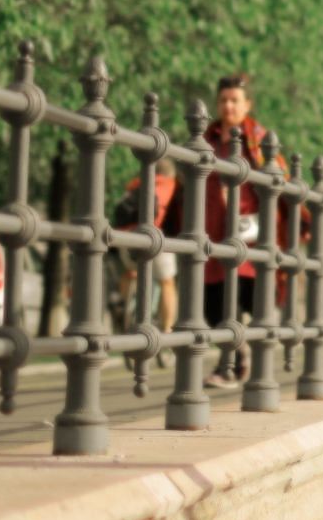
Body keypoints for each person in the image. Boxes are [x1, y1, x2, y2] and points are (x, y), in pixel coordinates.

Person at [160, 72, 277, 387]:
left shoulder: (260, 141)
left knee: (241, 301)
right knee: (211, 305)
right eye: (223, 100)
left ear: (247, 104)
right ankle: (238, 357)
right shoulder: (207, 140)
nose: (228, 106)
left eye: (235, 100)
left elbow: (278, 184)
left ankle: (233, 366)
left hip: (247, 236)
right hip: (209, 237)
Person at [114, 157, 181, 348]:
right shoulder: (169, 185)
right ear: (170, 173)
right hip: (153, 238)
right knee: (167, 282)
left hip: (126, 238)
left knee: (131, 271)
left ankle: (123, 304)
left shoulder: (136, 184)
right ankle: (167, 330)